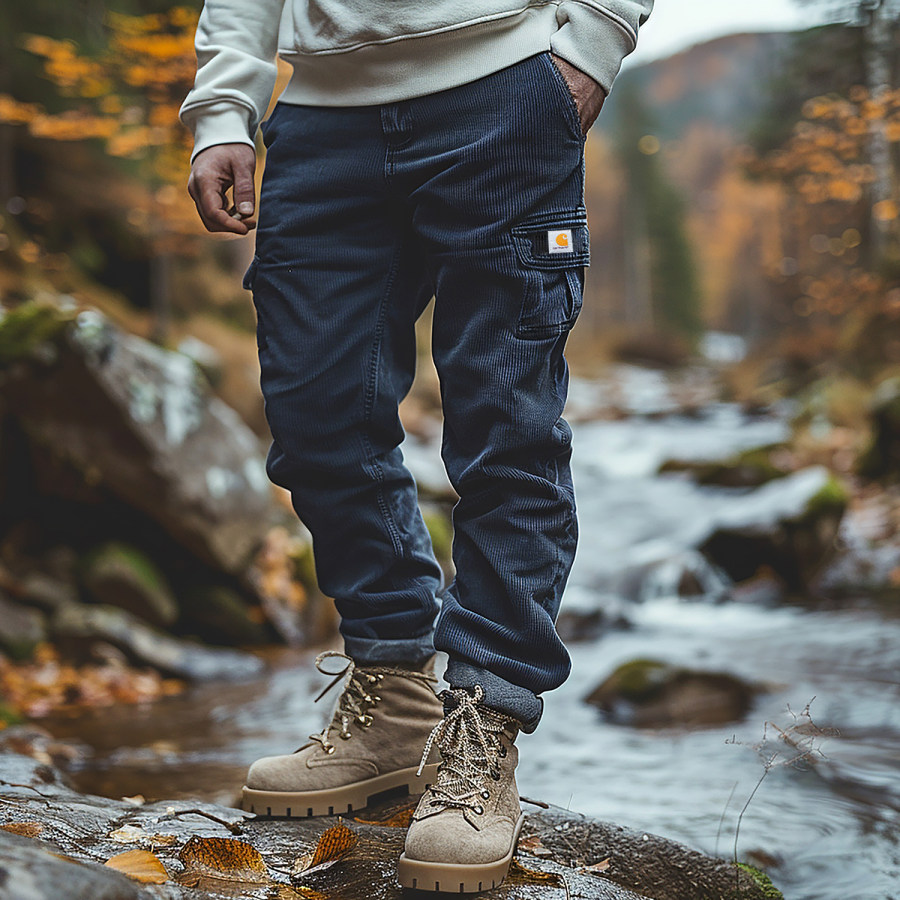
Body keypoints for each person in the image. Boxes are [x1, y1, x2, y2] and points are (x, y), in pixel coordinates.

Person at [179, 0, 652, 890]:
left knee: (505, 432)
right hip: (321, 118)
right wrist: (221, 110)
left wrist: (595, 36)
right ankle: (391, 693)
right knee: (318, 412)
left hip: (506, 89)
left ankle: (484, 725)